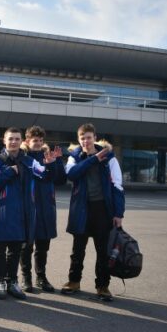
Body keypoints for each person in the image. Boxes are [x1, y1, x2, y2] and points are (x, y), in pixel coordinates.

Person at [0, 127, 57, 300]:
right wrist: (10, 172)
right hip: (1, 213)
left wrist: (50, 165)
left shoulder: (28, 161)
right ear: (4, 140)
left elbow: (46, 177)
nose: (14, 142)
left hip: (22, 214)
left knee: (16, 251)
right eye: (10, 139)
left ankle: (12, 281)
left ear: (21, 141)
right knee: (0, 250)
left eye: (17, 139)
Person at [61, 123, 125, 301]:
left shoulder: (110, 158)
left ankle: (103, 286)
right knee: (77, 250)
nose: (85, 141)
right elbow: (72, 174)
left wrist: (118, 214)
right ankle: (74, 282)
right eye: (82, 138)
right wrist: (93, 159)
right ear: (78, 139)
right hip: (81, 209)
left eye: (88, 137)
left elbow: (117, 187)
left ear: (95, 137)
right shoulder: (75, 156)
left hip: (102, 209)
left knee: (103, 251)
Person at [19, 126, 67, 293]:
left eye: (40, 140)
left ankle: (41, 277)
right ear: (27, 141)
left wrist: (57, 162)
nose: (38, 143)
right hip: (28, 208)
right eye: (34, 140)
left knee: (43, 246)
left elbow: (60, 180)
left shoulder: (48, 156)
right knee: (27, 246)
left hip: (46, 208)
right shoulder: (23, 158)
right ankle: (26, 277)